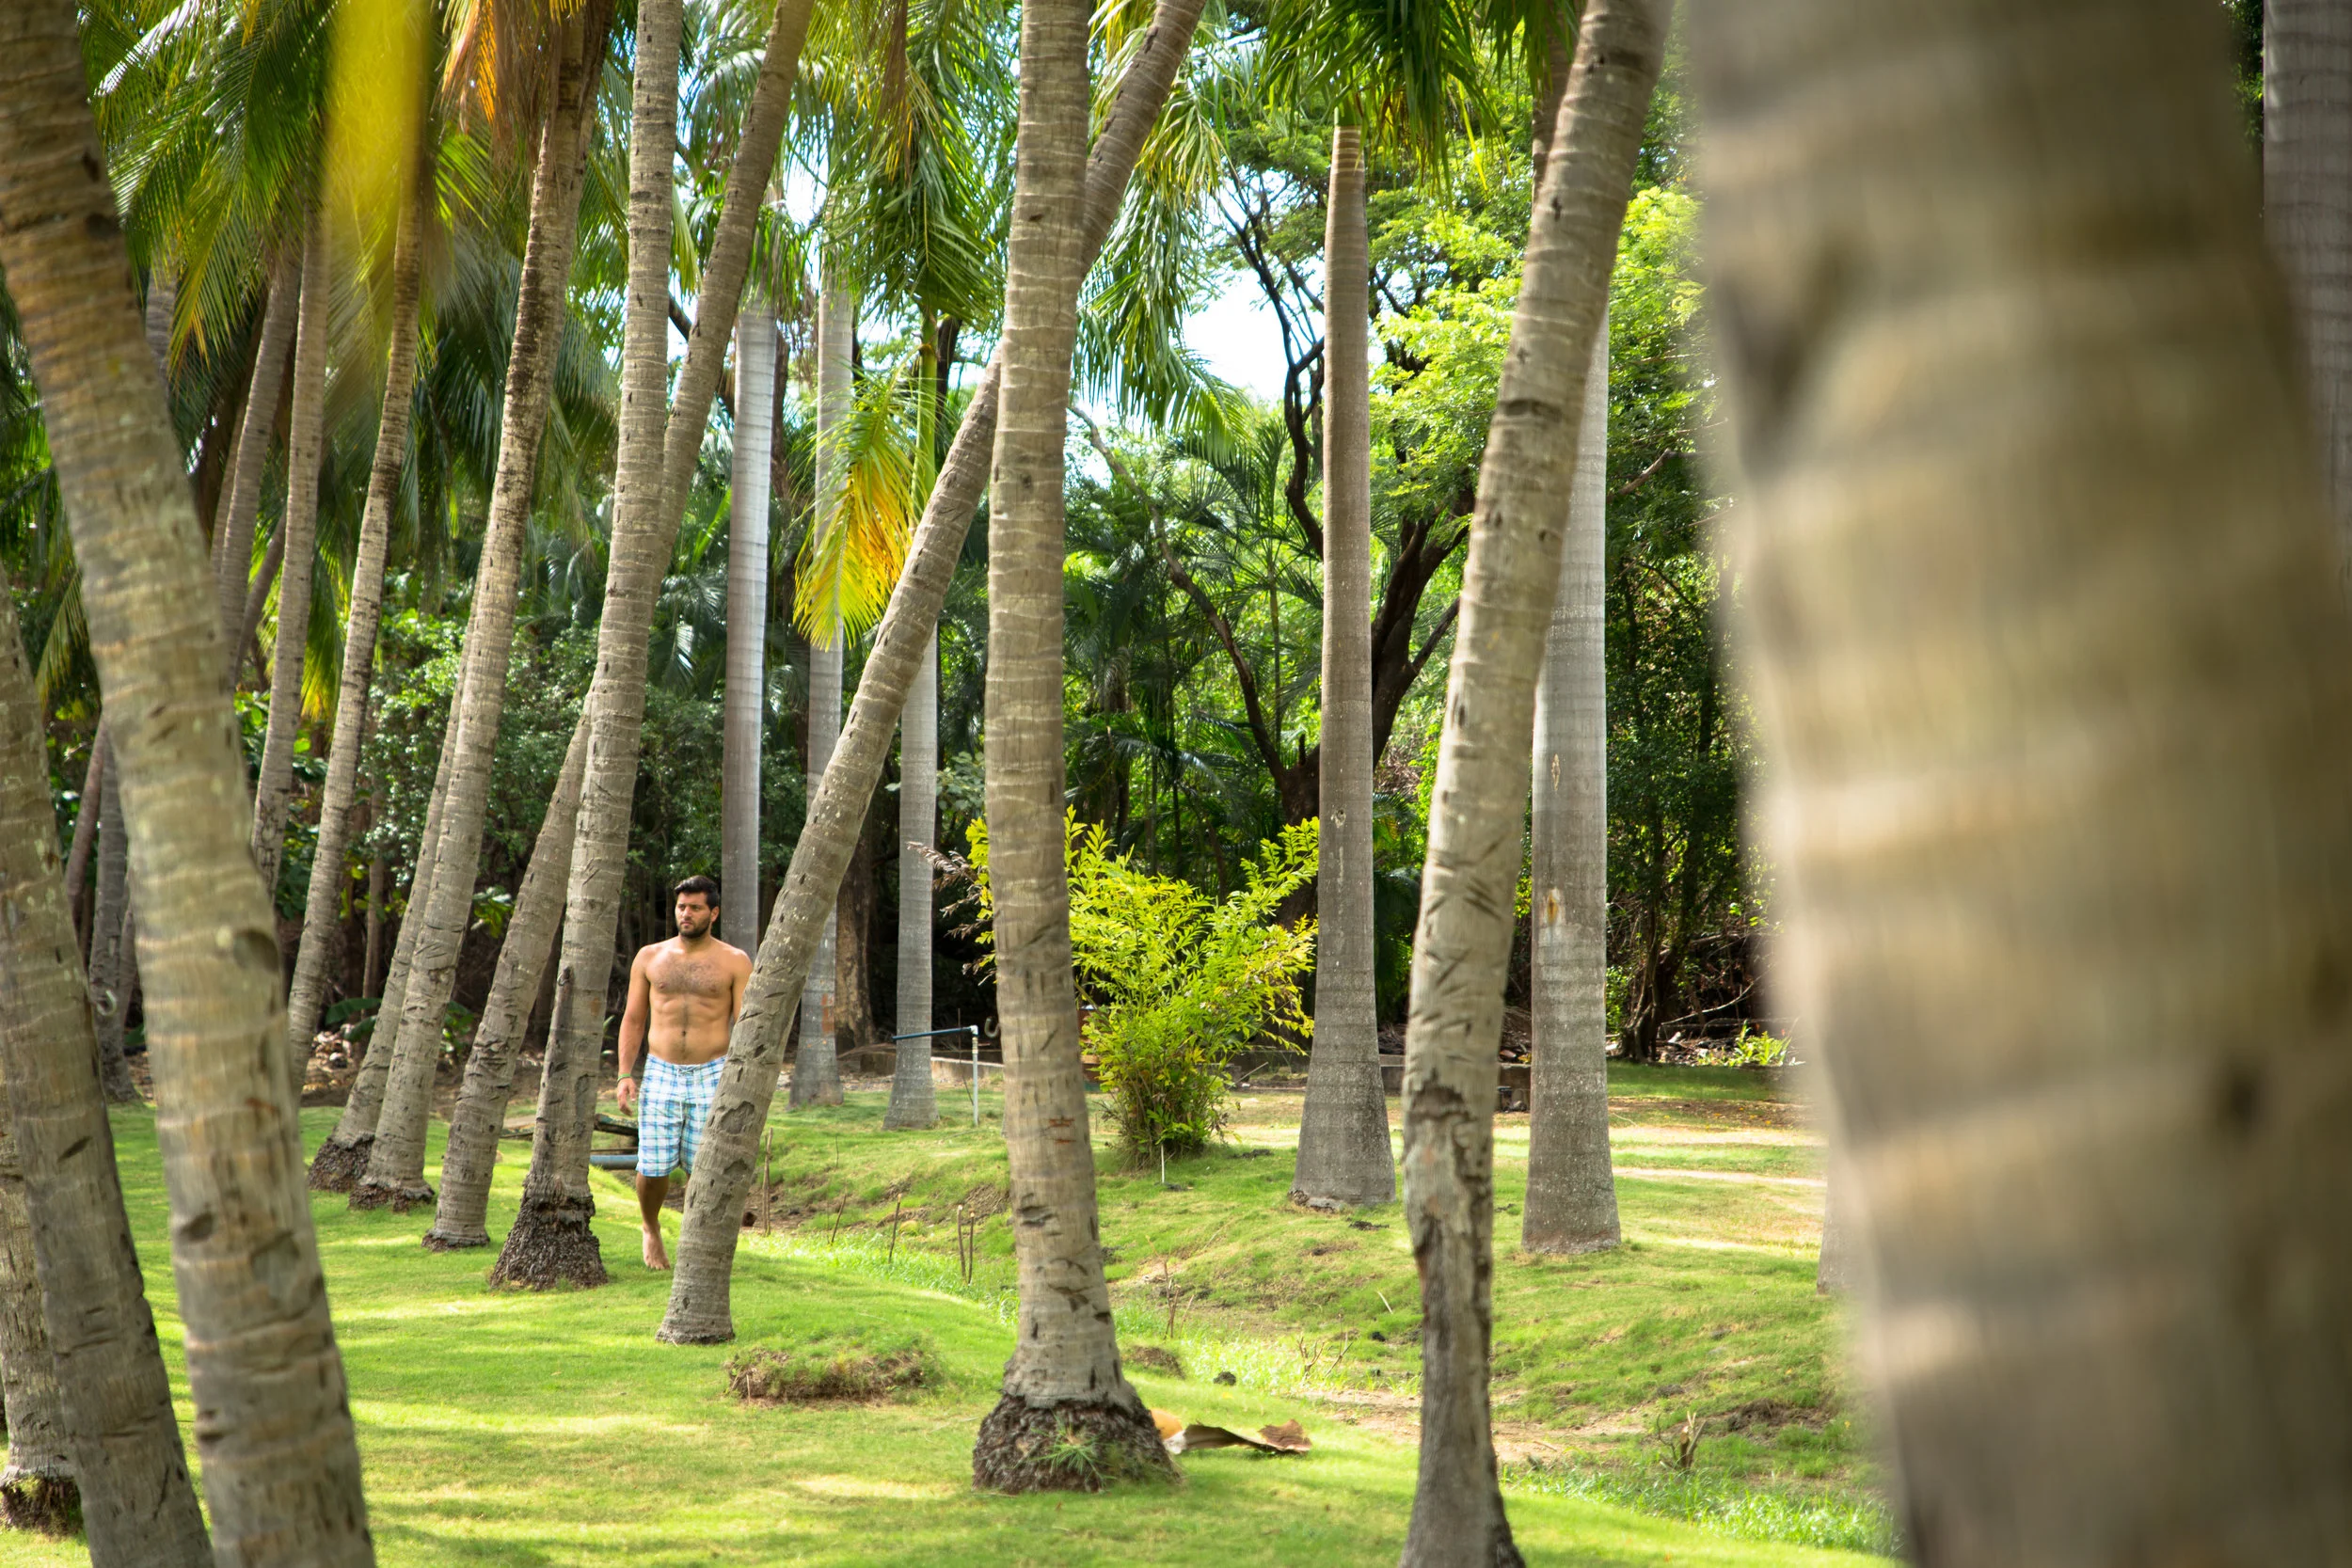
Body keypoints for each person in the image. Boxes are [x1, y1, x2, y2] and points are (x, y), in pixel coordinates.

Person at [616, 875, 751, 1270]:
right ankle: (650, 1227)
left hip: (713, 1071)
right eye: (681, 907)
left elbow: (743, 1024)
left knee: (704, 1167)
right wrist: (626, 1073)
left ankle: (697, 1241)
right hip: (660, 1070)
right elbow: (633, 1018)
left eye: (694, 907)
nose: (686, 914)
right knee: (653, 1166)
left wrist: (742, 1082)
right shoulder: (650, 957)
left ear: (714, 912)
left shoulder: (734, 961)